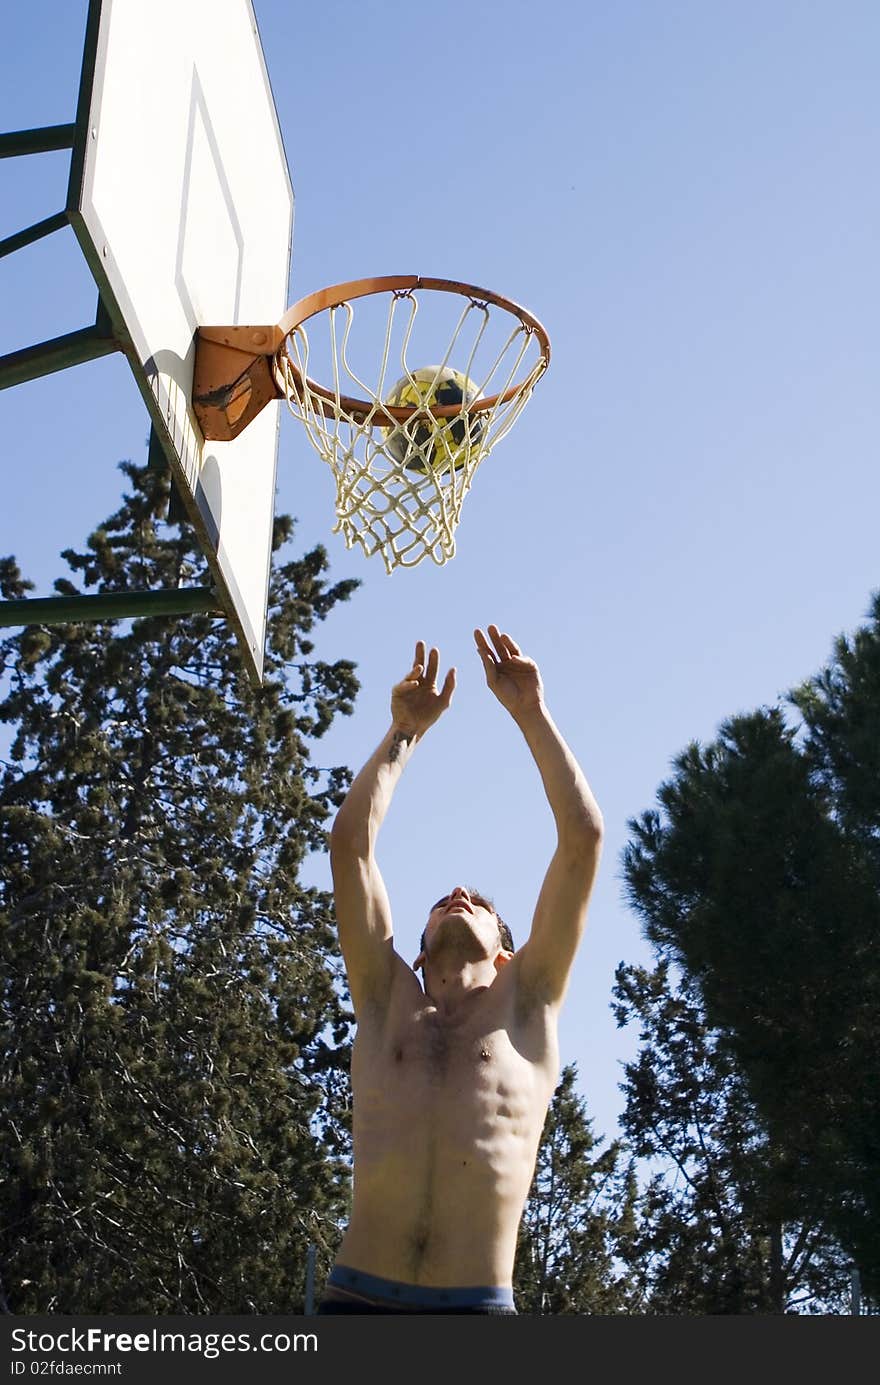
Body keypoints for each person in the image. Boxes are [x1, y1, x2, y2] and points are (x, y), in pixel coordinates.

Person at [317, 624, 603, 1314]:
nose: (458, 894)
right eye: (445, 901)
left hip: (477, 1307)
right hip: (356, 1299)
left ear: (505, 954)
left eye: (476, 902)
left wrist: (531, 711)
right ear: (417, 952)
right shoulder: (388, 997)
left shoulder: (528, 1003)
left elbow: (583, 837)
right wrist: (403, 733)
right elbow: (350, 845)